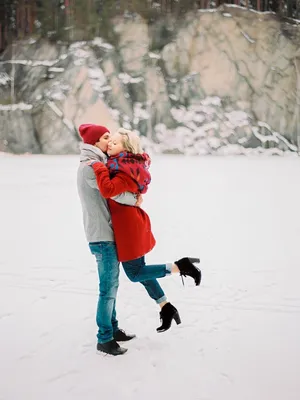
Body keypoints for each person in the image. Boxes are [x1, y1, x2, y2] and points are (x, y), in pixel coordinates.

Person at [88, 128, 202, 333]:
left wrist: (98, 167)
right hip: (128, 224)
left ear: (127, 148)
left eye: (115, 142)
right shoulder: (122, 165)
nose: (110, 144)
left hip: (128, 228)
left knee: (135, 273)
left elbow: (107, 190)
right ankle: (166, 307)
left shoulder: (121, 171)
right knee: (141, 271)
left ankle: (180, 266)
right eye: (109, 141)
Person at [77, 124, 140, 356]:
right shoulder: (90, 166)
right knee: (107, 288)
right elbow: (111, 191)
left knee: (111, 286)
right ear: (95, 143)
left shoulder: (97, 164)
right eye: (105, 137)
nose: (109, 141)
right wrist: (134, 199)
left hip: (106, 233)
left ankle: (112, 329)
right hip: (101, 236)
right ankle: (104, 339)